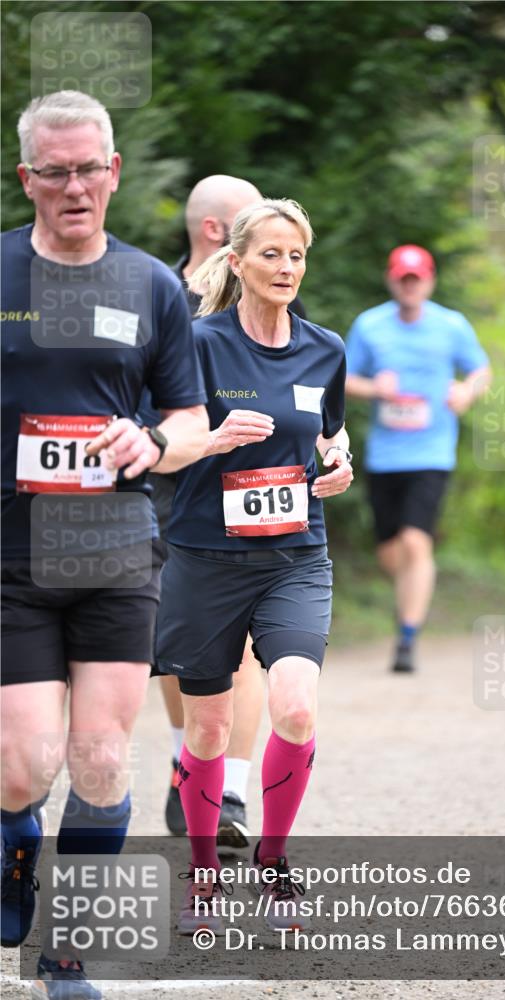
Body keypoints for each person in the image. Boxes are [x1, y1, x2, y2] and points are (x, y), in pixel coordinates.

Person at [0, 91, 208, 998]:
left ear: (114, 172)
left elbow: (193, 417)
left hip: (119, 548)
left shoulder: (152, 285)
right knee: (23, 766)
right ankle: (14, 870)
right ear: (27, 179)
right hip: (12, 552)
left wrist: (153, 442)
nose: (75, 185)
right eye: (56, 171)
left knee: (97, 757)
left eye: (90, 168)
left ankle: (66, 952)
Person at [154, 197, 352, 934]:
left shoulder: (324, 348)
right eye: (270, 254)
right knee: (206, 730)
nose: (286, 268)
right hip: (206, 558)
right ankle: (204, 872)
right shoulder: (197, 343)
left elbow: (330, 437)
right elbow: (158, 445)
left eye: (296, 255)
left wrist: (339, 464)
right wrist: (211, 440)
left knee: (295, 705)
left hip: (295, 556)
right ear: (235, 262)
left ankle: (274, 863)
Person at [141, 174, 306, 844]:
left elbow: (309, 389)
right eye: (255, 234)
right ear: (220, 237)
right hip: (163, 498)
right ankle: (193, 762)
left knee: (238, 650)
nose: (277, 253)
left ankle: (228, 792)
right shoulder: (156, 297)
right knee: (182, 654)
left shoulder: (275, 304)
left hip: (244, 506)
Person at [345, 244, 491, 673]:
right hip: (385, 456)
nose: (410, 285)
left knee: (416, 540)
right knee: (390, 552)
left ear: (429, 281)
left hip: (432, 452)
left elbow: (481, 370)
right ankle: (411, 597)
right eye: (403, 278)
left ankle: (407, 637)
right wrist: (375, 389)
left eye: (418, 278)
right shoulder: (369, 326)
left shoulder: (452, 325)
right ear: (393, 280)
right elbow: (344, 377)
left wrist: (467, 391)